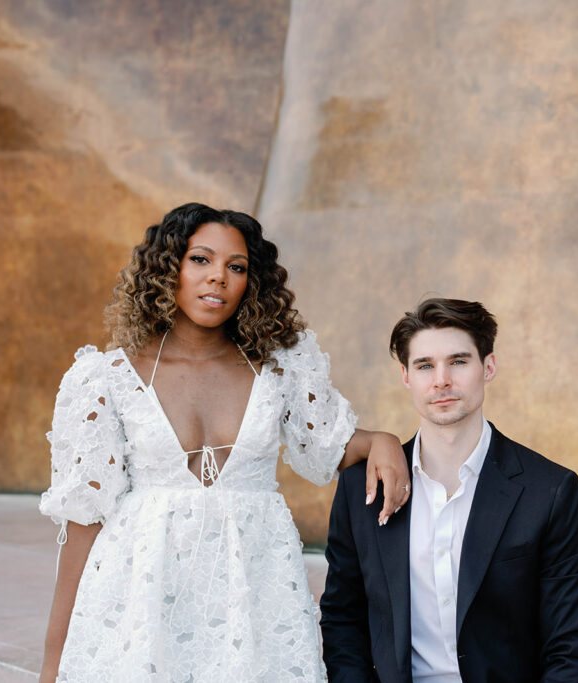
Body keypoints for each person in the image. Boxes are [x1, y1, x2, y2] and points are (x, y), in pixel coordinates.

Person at [38, 202, 410, 682]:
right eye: (201, 260)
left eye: (236, 267)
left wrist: (382, 439)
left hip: (253, 603)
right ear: (167, 268)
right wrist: (53, 664)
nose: (218, 278)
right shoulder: (105, 379)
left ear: (250, 285)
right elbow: (83, 523)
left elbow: (330, 447)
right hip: (140, 605)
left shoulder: (280, 370)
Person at [320, 298, 578, 682]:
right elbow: (343, 622)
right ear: (406, 376)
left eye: (458, 361)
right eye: (425, 366)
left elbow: (574, 644)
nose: (441, 380)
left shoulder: (550, 490)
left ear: (488, 367)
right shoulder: (361, 489)